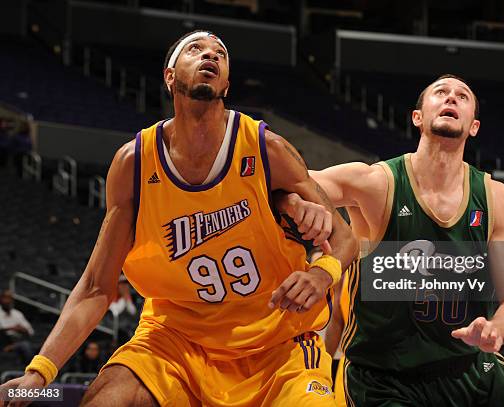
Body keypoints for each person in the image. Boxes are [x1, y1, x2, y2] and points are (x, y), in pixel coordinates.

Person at [0, 30, 357, 407]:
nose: (211, 55)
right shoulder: (134, 163)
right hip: (177, 342)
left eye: (220, 54)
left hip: (276, 345)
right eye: (195, 49)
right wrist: (39, 372)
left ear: (226, 83)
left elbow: (344, 237)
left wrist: (321, 275)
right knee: (108, 399)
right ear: (170, 76)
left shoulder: (266, 148)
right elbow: (96, 287)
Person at [278, 74, 504, 406]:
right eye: (440, 92)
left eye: (463, 96)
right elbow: (290, 182)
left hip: (470, 370)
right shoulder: (376, 184)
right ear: (417, 117)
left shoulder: (495, 197)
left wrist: (496, 329)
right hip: (385, 379)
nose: (451, 98)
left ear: (474, 126)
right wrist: (291, 201)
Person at [0, 290, 34, 365]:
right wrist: (12, 328)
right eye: (5, 298)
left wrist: (21, 329)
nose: (8, 301)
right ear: (1, 299)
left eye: (10, 298)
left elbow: (30, 331)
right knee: (25, 345)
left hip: (18, 341)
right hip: (4, 342)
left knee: (26, 344)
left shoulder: (17, 314)